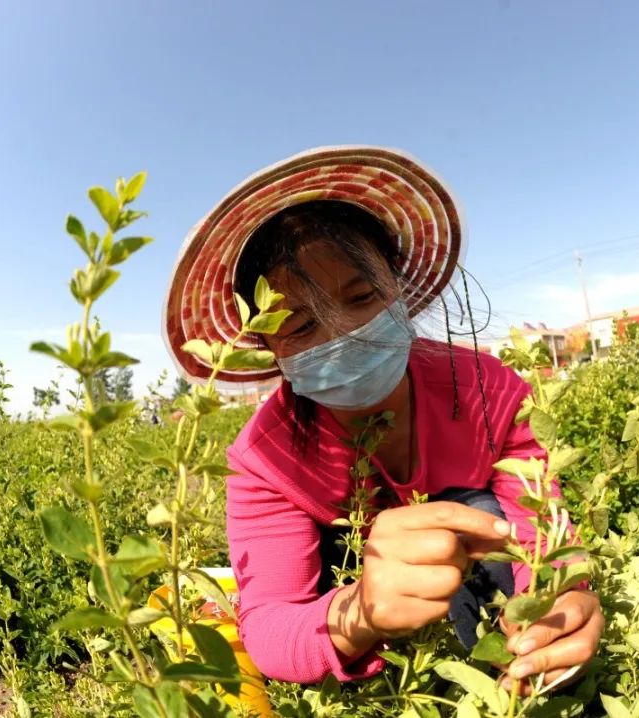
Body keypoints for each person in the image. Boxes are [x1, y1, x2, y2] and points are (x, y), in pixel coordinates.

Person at [162, 146, 602, 691]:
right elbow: (273, 626)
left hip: (466, 576)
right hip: (345, 585)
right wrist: (362, 611)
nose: (342, 336)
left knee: (479, 512)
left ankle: (501, 669)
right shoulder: (264, 462)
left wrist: (567, 593)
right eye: (300, 328)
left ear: (398, 284)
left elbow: (542, 527)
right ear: (266, 346)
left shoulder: (487, 388)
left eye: (363, 295)